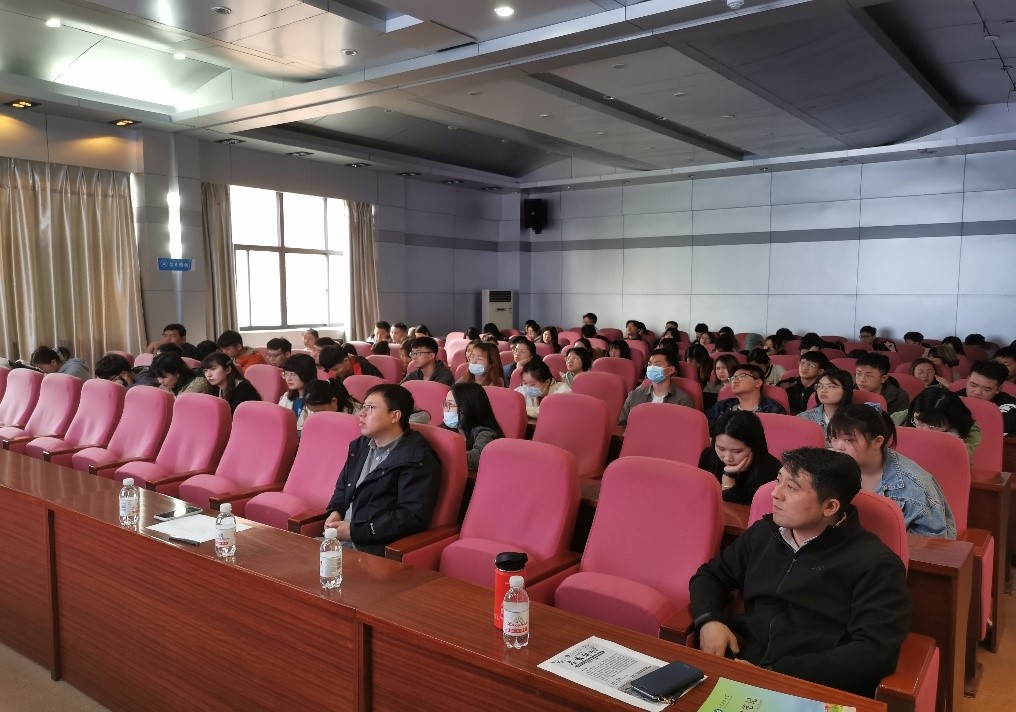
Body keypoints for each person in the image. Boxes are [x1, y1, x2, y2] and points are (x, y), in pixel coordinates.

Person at [689, 447, 911, 698]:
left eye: (792, 488)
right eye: (778, 480)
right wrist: (709, 620)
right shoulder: (764, 533)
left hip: (811, 685)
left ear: (830, 506)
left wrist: (773, 674)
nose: (775, 493)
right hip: (741, 665)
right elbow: (710, 576)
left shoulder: (876, 564)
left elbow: (874, 652)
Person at [323, 384, 441, 556]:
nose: (361, 413)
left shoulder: (416, 458)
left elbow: (411, 516)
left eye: (370, 408)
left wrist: (355, 532)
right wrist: (336, 511)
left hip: (371, 549)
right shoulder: (360, 445)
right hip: (340, 539)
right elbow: (343, 486)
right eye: (363, 407)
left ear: (395, 416)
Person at [829, 404, 956, 539]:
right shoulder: (829, 467)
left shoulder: (914, 484)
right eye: (834, 438)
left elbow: (933, 545)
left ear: (877, 442)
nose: (838, 446)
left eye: (848, 440)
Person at [697, 410, 781, 505]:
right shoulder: (708, 456)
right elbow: (700, 497)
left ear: (754, 447)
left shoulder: (773, 470)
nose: (727, 458)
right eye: (721, 449)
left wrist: (728, 477)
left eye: (737, 451)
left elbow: (741, 511)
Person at [896, 388, 981, 463]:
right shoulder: (900, 418)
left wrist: (952, 443)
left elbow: (958, 463)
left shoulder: (971, 432)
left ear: (951, 423)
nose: (924, 431)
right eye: (919, 422)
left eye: (933, 426)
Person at [617, 349, 693, 426]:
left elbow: (683, 429)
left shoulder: (682, 400)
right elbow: (622, 425)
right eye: (649, 365)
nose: (652, 368)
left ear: (670, 370)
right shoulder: (635, 395)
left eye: (657, 365)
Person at [441, 382, 505, 471]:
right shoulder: (448, 429)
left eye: (451, 405)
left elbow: (474, 460)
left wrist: (440, 453)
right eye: (445, 404)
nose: (446, 410)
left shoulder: (486, 433)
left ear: (467, 408)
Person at [706, 364, 787, 426]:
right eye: (733, 378)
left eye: (741, 376)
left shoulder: (774, 410)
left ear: (758, 383)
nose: (735, 381)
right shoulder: (721, 407)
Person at [961, 361, 1016, 435]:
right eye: (973, 385)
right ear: (968, 379)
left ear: (998, 389)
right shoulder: (952, 398)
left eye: (986, 389)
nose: (977, 392)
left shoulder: (1010, 406)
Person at [797, 369, 854, 440]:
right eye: (820, 386)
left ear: (846, 390)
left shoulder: (856, 419)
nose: (823, 390)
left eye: (831, 386)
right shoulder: (804, 418)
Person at [278, 353, 317, 433]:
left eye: (292, 374)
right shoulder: (286, 397)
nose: (288, 378)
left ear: (306, 374)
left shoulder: (317, 400)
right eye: (285, 374)